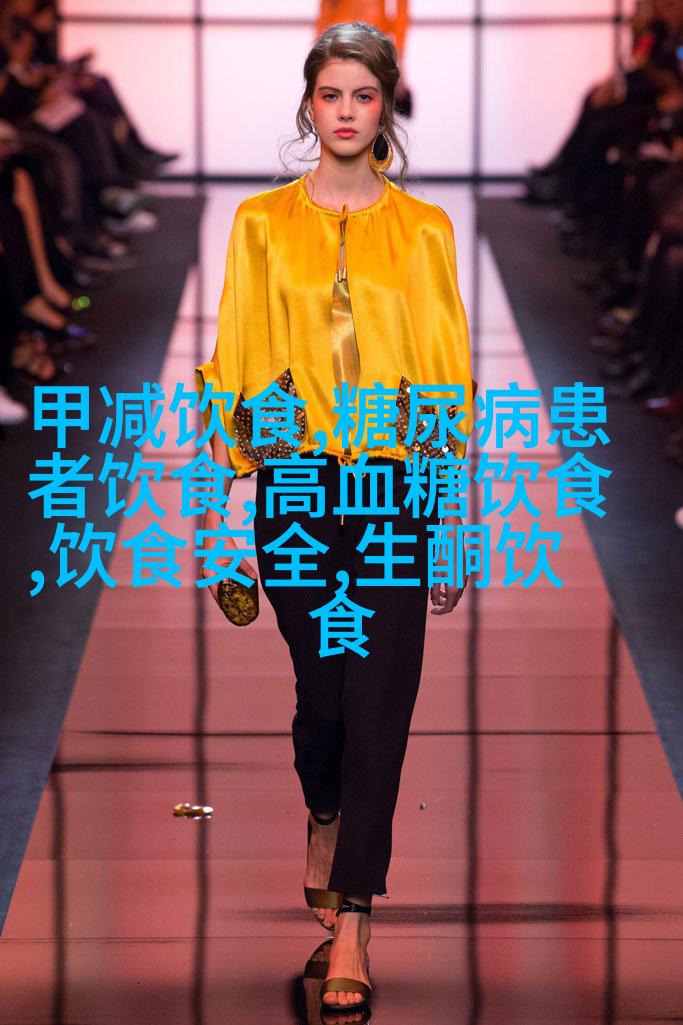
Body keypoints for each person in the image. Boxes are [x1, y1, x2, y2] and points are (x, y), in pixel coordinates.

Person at [195, 20, 474, 1011]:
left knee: (379, 702)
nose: (347, 111)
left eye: (364, 94)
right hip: (297, 486)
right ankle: (324, 805)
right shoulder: (260, 223)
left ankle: (354, 915)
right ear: (308, 105)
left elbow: (444, 376)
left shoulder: (425, 230)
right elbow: (236, 356)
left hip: (393, 487)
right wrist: (222, 504)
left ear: (386, 106)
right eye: (331, 94)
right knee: (322, 700)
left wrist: (451, 521)